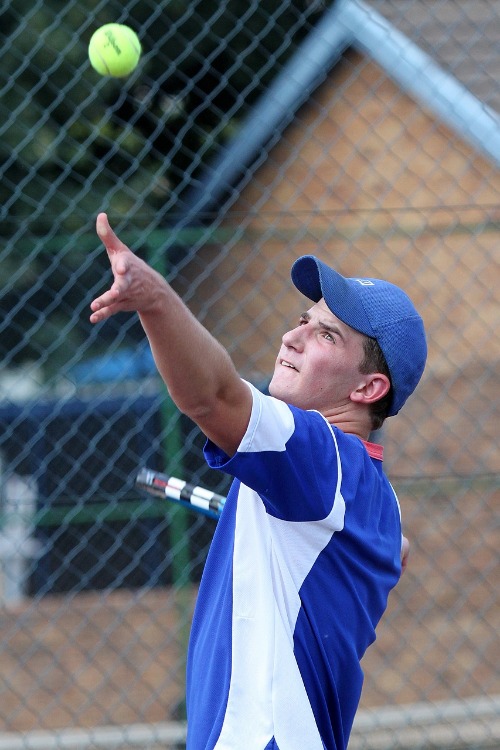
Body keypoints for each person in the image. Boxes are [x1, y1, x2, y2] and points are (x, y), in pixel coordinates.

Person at [90, 212, 426, 750]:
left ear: (368, 388)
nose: (292, 337)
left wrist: (154, 300)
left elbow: (213, 398)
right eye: (301, 320)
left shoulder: (320, 455)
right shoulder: (370, 494)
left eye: (325, 335)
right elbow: (395, 550)